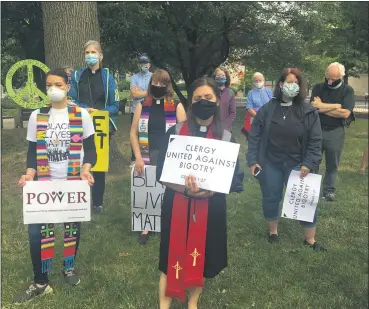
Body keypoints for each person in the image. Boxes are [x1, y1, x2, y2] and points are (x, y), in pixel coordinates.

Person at [156, 77, 244, 309]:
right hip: (176, 203)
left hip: (210, 207)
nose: (203, 102)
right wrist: (186, 190)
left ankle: (192, 302)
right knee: (170, 256)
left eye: (208, 98)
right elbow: (162, 174)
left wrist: (210, 191)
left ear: (217, 101)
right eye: (197, 98)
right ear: (190, 102)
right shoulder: (175, 133)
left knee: (200, 256)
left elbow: (234, 179)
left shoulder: (226, 139)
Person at [13, 69, 96, 303]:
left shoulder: (81, 115)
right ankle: (40, 279)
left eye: (58, 84)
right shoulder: (37, 116)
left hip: (72, 182)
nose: (53, 89)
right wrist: (29, 173)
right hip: (43, 183)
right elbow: (31, 151)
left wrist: (86, 168)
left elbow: (90, 150)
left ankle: (68, 267)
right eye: (49, 85)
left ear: (68, 86)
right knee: (36, 231)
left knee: (72, 227)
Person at [247, 68, 326, 251]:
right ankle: (273, 233)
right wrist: (252, 160)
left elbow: (315, 140)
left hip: (299, 164)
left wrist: (309, 162)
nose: (293, 86)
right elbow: (255, 136)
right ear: (281, 85)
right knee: (271, 197)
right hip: (271, 163)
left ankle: (310, 240)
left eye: (296, 83)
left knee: (305, 201)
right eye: (289, 82)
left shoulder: (308, 111)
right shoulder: (267, 109)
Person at [130, 69, 186, 245]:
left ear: (168, 85)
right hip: (148, 153)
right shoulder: (142, 105)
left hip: (169, 155)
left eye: (162, 83)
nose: (158, 86)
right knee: (148, 190)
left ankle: (168, 224)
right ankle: (146, 226)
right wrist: (138, 157)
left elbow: (183, 135)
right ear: (150, 83)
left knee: (169, 190)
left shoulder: (176, 105)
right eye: (155, 83)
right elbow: (133, 133)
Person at [68, 40, 120, 213]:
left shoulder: (108, 77)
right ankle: (79, 199)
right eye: (87, 52)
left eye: (93, 52)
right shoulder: (76, 76)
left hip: (101, 126)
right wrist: (84, 109)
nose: (90, 55)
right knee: (79, 161)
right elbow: (71, 100)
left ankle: (97, 202)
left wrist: (99, 112)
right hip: (79, 124)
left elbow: (115, 105)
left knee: (98, 165)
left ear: (100, 55)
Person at [310, 62, 355, 201]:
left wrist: (322, 106)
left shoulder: (348, 90)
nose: (329, 81)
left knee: (332, 163)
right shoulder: (318, 88)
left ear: (341, 76)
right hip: (316, 130)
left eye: (333, 79)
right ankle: (311, 189)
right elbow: (314, 108)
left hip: (335, 131)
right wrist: (335, 107)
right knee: (313, 161)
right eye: (328, 77)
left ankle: (329, 190)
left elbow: (345, 114)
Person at [130, 55, 153, 167]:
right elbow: (134, 94)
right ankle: (134, 158)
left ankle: (148, 157)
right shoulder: (134, 77)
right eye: (142, 63)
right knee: (135, 133)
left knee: (148, 133)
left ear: (149, 64)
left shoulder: (154, 77)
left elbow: (156, 92)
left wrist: (141, 93)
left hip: (150, 109)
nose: (144, 65)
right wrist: (149, 92)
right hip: (136, 110)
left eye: (146, 63)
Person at [241, 72, 273, 141]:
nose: (258, 82)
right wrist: (259, 117)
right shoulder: (250, 93)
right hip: (254, 119)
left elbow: (273, 105)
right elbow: (249, 108)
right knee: (253, 141)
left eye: (260, 80)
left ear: (263, 81)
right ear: (253, 82)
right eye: (256, 81)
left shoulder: (269, 92)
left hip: (267, 119)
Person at [214, 67, 236, 132]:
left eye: (223, 75)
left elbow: (233, 113)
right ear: (214, 77)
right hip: (212, 129)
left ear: (226, 78)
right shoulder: (210, 91)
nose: (220, 77)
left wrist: (225, 126)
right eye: (218, 75)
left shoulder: (230, 92)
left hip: (226, 129)